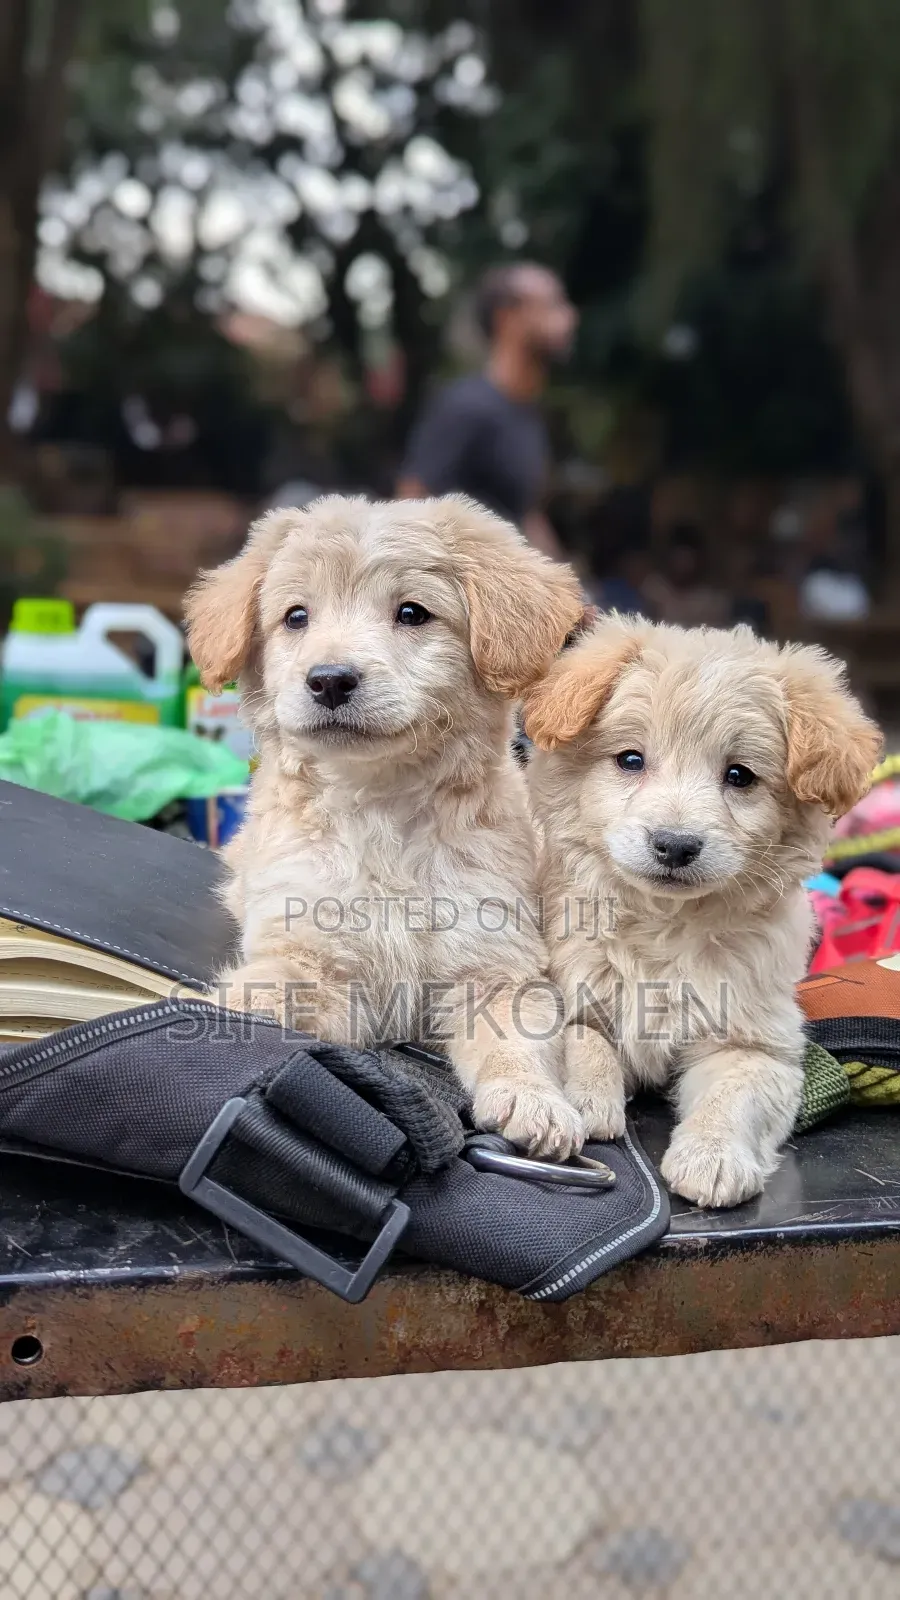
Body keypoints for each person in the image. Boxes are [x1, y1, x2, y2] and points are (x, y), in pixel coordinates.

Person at [397, 262, 577, 558]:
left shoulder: (527, 414)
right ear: (507, 319)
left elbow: (524, 516)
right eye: (552, 305)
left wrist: (574, 591)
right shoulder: (466, 407)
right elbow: (411, 501)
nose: (569, 318)